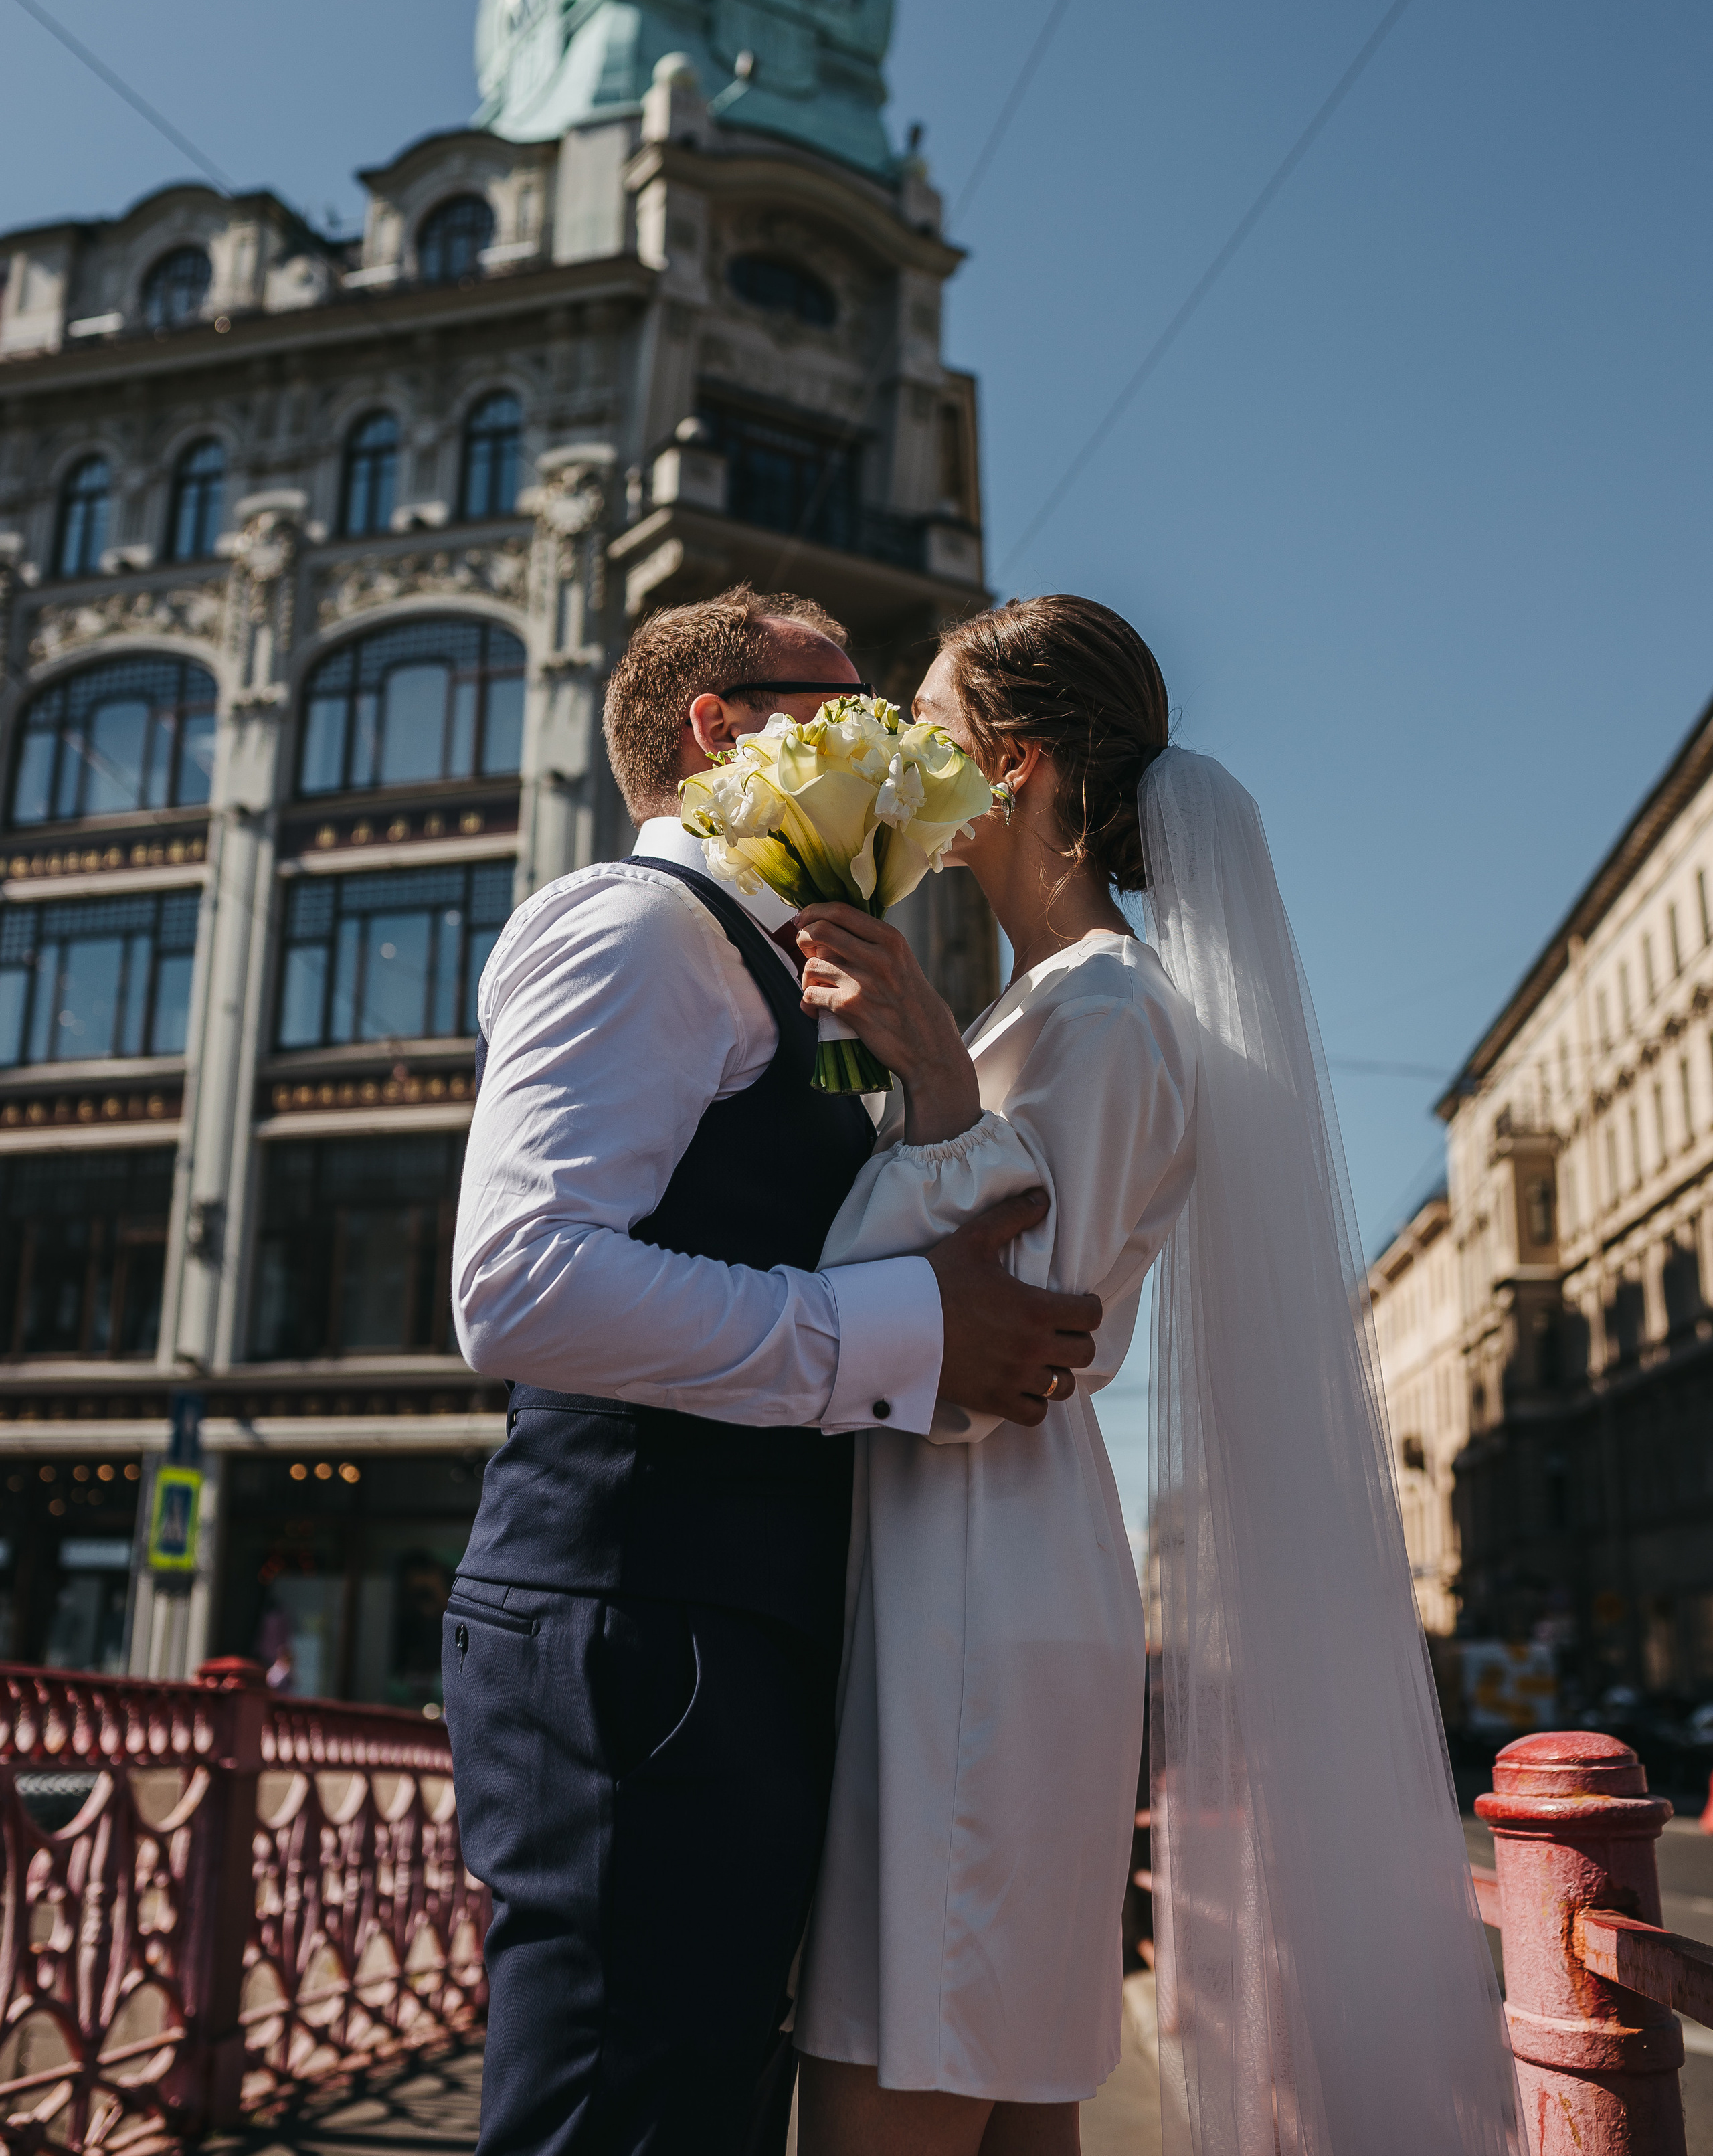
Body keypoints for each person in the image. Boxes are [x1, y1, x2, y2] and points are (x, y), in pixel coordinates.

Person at [788, 596, 1519, 2156]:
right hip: (977, 1580)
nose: (900, 759)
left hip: (976, 1594)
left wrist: (923, 1074)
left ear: (1013, 760)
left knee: (908, 2070)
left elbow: (1014, 1347)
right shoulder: (1041, 1007)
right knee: (996, 2085)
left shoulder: (1106, 1013)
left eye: (926, 725)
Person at [442, 584, 1102, 2156]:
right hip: (636, 1620)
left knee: (694, 2098)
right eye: (844, 707)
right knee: (626, 2113)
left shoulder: (768, 963)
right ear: (717, 730)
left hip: (707, 1630)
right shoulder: (639, 924)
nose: (887, 738)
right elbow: (520, 1284)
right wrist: (913, 1338)